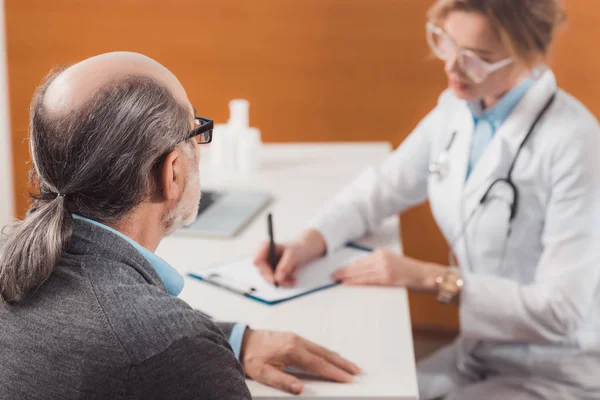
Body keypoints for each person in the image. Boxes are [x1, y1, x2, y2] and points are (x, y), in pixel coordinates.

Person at [254, 0, 600, 398]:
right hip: (477, 353)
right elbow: (382, 188)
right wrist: (309, 240)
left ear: (527, 54)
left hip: (553, 369)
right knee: (356, 388)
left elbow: (563, 311)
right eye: (447, 44)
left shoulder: (574, 142)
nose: (452, 67)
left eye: (478, 58)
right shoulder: (458, 107)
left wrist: (426, 277)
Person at [0, 52, 360, 399]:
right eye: (195, 131)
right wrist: (196, 344)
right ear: (171, 173)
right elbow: (142, 344)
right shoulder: (176, 349)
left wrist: (233, 339)